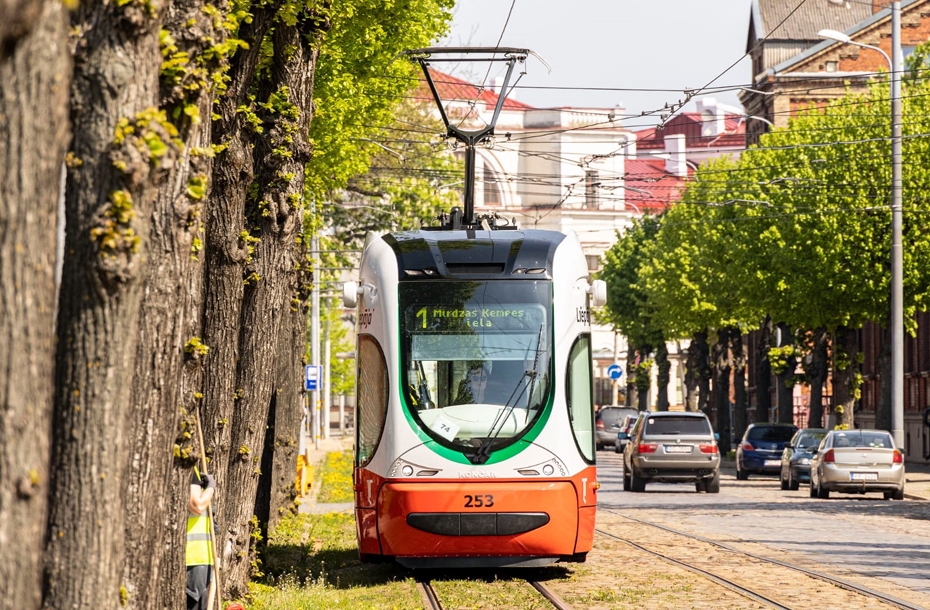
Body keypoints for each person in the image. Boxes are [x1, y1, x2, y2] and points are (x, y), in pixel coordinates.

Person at [187, 467, 216, 610]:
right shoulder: (185, 467)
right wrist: (210, 488)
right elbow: (197, 505)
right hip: (192, 558)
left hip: (200, 558)